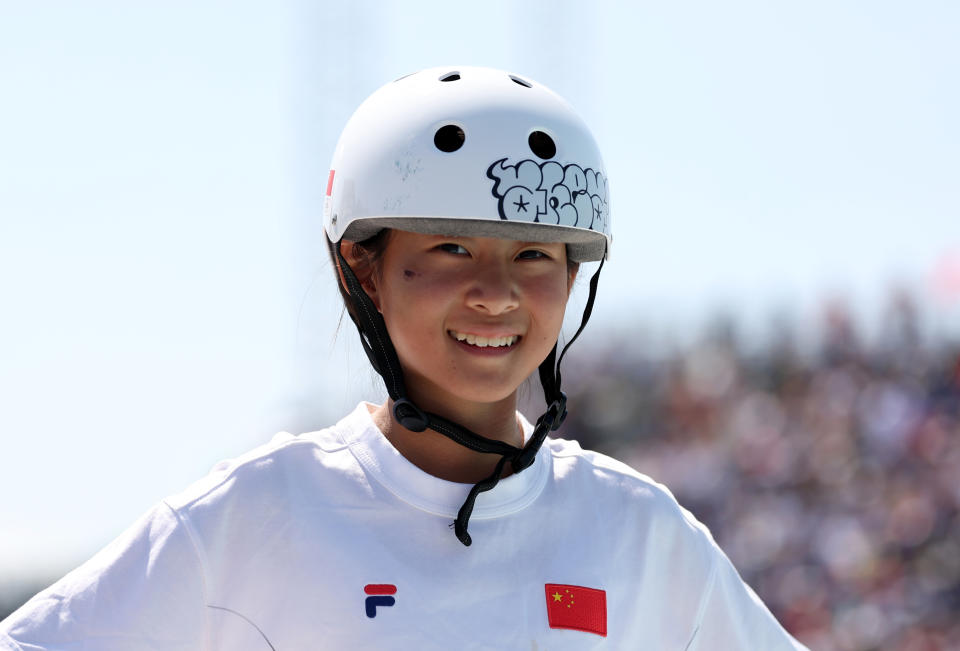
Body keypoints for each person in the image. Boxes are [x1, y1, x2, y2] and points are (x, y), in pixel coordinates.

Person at [1, 66, 808, 650]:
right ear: (364, 270)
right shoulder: (258, 511)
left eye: (534, 255)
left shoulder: (640, 530)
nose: (496, 294)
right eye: (452, 247)